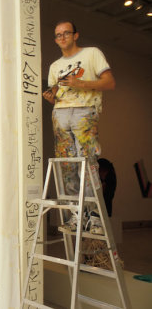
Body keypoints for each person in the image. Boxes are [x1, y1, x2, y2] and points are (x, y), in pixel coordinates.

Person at [43, 21, 116, 234]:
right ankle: (77, 215)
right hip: (60, 114)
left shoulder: (92, 53)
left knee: (87, 163)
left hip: (84, 111)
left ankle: (94, 218)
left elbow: (110, 83)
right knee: (68, 167)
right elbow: (56, 97)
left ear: (76, 35)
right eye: (58, 35)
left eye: (66, 33)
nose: (62, 37)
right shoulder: (55, 66)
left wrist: (80, 83)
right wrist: (50, 98)